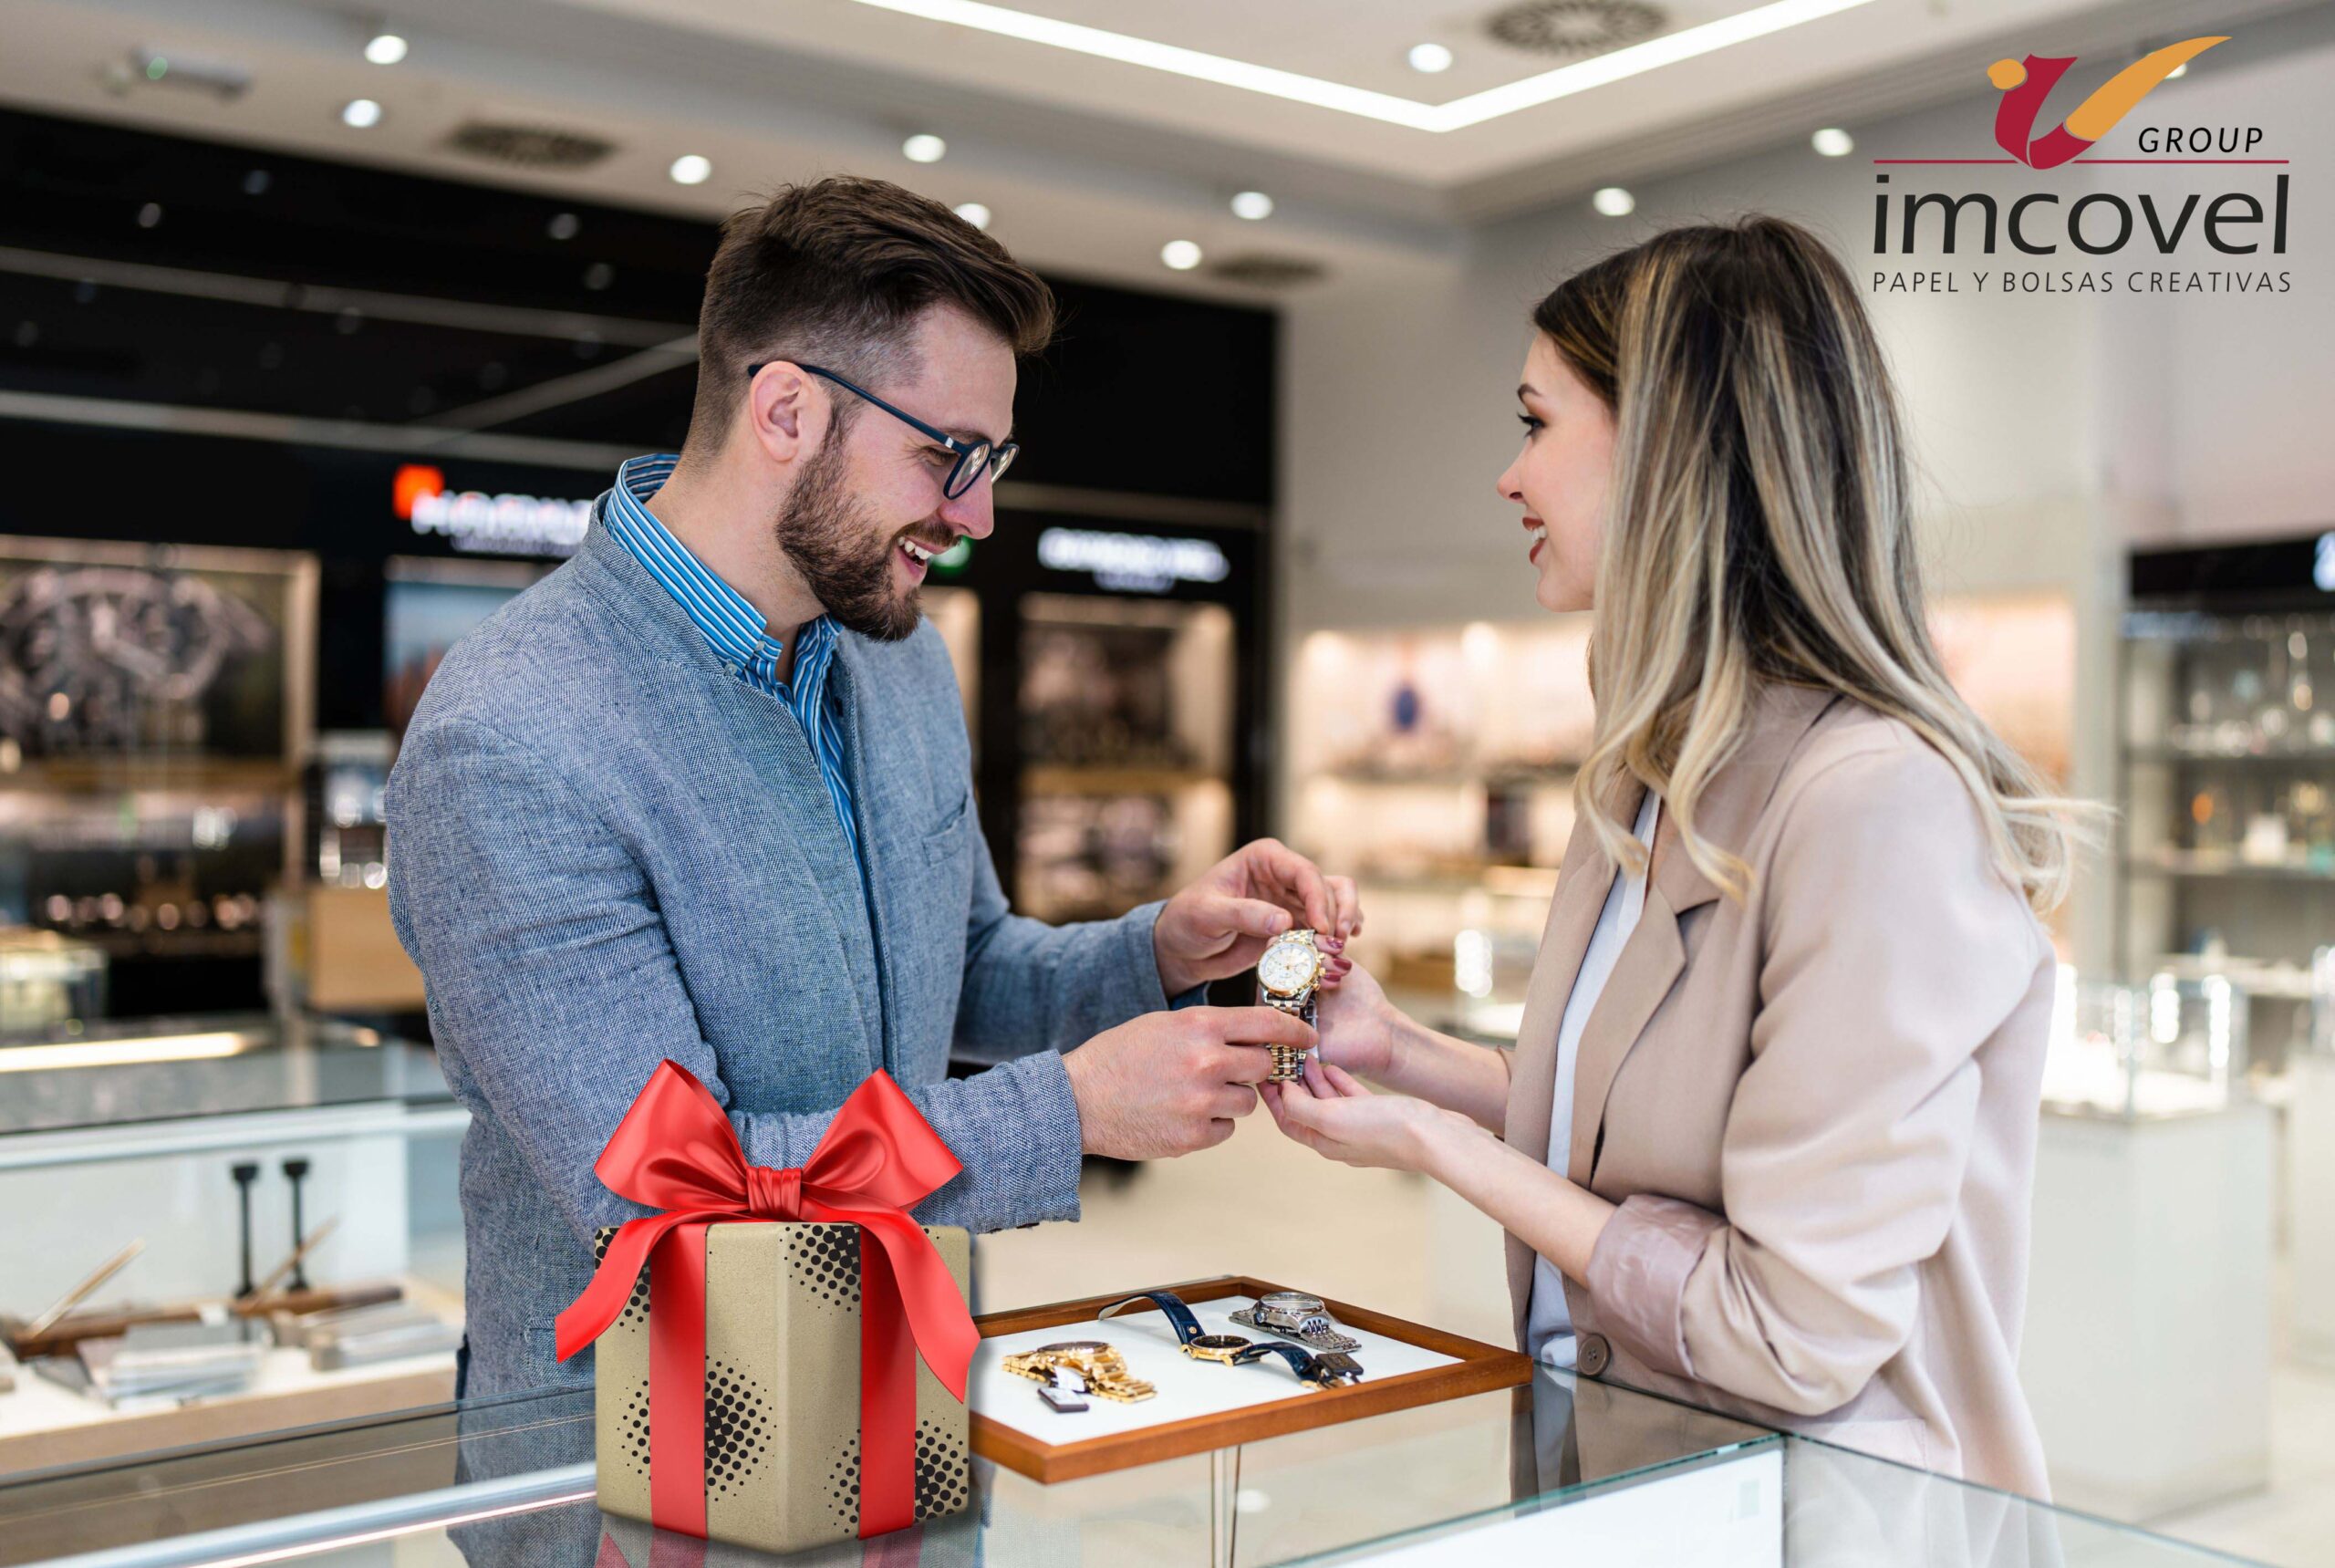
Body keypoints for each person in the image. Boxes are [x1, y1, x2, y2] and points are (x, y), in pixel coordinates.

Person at [388, 177, 1358, 1401]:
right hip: (639, 1466)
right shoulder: (514, 735)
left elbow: (959, 968)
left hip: (905, 1401)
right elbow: (667, 1196)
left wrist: (1157, 952)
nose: (980, 515)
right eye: (947, 456)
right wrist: (1061, 1115)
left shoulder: (896, 659)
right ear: (785, 408)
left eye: (993, 460)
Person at [1264, 216, 2091, 1498]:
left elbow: (1792, 1330)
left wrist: (1438, 1150)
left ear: (1666, 447)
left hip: (1810, 1517)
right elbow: (1643, 1139)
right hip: (1629, 1486)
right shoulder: (1655, 776)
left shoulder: (1875, 806)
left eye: (1536, 423)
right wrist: (1409, 1062)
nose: (1508, 476)